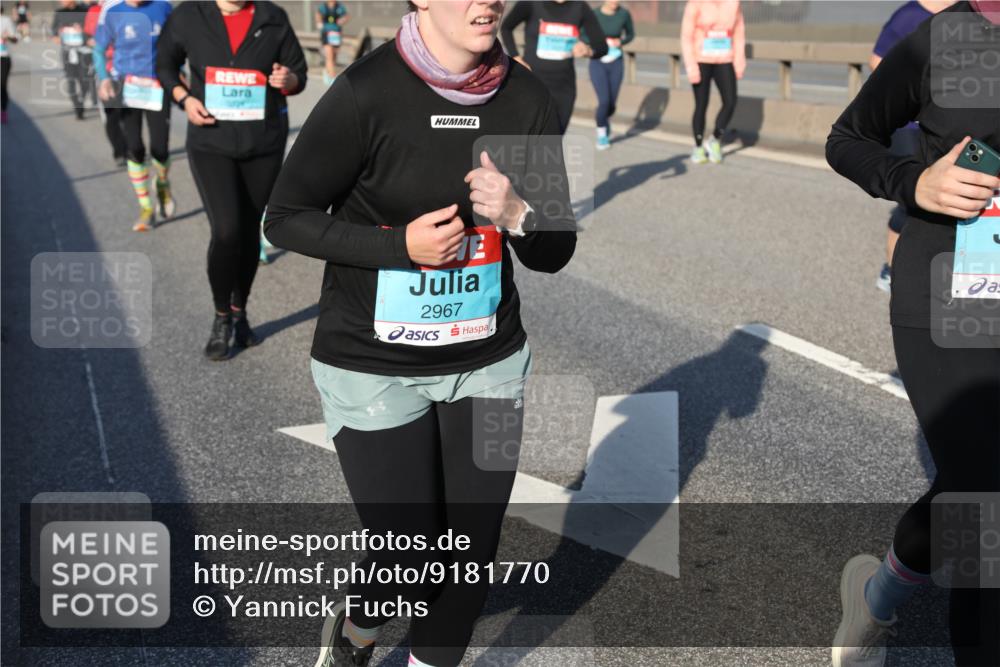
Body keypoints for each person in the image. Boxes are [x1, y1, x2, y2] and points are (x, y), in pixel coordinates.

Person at [264, 0, 577, 664]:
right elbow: (284, 218)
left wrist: (520, 213)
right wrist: (398, 246)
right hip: (372, 365)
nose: (485, 1)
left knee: (468, 559)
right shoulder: (366, 93)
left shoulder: (526, 99)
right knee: (412, 553)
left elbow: (554, 250)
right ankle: (357, 630)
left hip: (488, 362)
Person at [826, 2, 1000, 666]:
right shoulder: (942, 37)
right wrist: (916, 182)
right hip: (946, 296)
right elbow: (848, 137)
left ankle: (879, 593)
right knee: (986, 494)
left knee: (971, 478)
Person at [157, 0, 307, 360]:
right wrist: (184, 98)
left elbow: (298, 72)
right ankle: (221, 316)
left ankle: (240, 312)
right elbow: (164, 64)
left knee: (249, 233)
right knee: (226, 231)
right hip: (212, 142)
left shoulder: (272, 17)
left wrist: (289, 80)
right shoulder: (189, 15)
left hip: (263, 143)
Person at [870, 0, 953, 293]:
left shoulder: (967, 17)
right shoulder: (908, 17)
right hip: (908, 127)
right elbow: (877, 61)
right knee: (913, 201)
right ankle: (891, 269)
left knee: (947, 200)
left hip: (944, 124)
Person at [94, 0, 174, 232]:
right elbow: (98, 49)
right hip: (126, 87)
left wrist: (178, 72)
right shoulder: (113, 12)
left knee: (160, 148)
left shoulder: (164, 7)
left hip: (158, 86)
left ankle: (163, 184)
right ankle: (146, 207)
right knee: (135, 147)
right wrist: (104, 78)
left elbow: (177, 43)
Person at [500, 0, 607, 134]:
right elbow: (506, 27)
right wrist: (515, 56)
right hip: (531, 84)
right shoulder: (531, 3)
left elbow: (602, 46)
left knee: (554, 139)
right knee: (529, 139)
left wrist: (588, 51)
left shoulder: (580, 7)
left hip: (564, 88)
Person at [681, 0, 745, 164]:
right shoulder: (695, 4)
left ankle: (715, 139)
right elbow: (686, 37)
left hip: (725, 59)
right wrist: (691, 67)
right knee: (702, 104)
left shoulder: (733, 3)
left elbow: (739, 32)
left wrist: (739, 61)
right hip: (701, 60)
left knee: (730, 102)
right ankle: (698, 147)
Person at [584, 0, 633, 150]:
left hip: (616, 61)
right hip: (598, 61)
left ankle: (604, 118)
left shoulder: (624, 14)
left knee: (611, 104)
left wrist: (621, 41)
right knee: (604, 101)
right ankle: (602, 135)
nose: (615, 2)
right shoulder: (594, 14)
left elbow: (631, 34)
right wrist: (596, 41)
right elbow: (583, 34)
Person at [85, 0, 127, 166]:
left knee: (130, 115)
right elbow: (89, 37)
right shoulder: (96, 10)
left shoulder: (133, 8)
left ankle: (132, 148)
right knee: (112, 115)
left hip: (131, 71)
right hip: (108, 68)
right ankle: (119, 151)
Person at [51, 0, 90, 120]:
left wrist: (82, 31)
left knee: (85, 81)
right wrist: (56, 36)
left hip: (83, 52)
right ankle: (77, 106)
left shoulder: (85, 11)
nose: (61, 1)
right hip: (67, 52)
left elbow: (92, 30)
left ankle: (81, 99)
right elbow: (54, 29)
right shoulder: (59, 12)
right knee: (71, 81)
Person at [315, 0, 348, 85]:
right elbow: (318, 15)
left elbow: (346, 16)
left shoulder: (339, 7)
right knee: (329, 54)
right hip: (326, 33)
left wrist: (342, 20)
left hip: (336, 33)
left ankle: (326, 71)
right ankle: (333, 78)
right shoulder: (324, 7)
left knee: (334, 55)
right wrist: (319, 23)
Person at [1, 12, 16, 124]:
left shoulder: (6, 20)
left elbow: (15, 39)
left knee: (2, 85)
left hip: (3, 57)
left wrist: (7, 37)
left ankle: (3, 111)